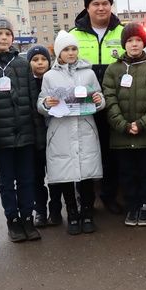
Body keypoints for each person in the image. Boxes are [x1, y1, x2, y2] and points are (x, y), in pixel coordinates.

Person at [0, 15, 42, 243]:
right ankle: (12, 219)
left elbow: (33, 100)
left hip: (25, 135)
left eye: (8, 34)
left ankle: (27, 218)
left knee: (27, 179)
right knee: (6, 182)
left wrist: (37, 134)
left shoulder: (22, 64)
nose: (4, 38)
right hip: (1, 138)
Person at [37, 30, 105, 235]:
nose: (71, 52)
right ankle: (73, 214)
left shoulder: (89, 72)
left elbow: (99, 96)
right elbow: (41, 102)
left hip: (84, 128)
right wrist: (47, 104)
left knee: (86, 176)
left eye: (74, 48)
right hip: (61, 131)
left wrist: (99, 101)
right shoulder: (49, 76)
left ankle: (87, 213)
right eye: (66, 49)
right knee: (66, 176)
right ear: (59, 52)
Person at [102, 23, 146, 226]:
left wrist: (141, 124)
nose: (134, 44)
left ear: (143, 43)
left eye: (138, 40)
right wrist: (123, 124)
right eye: (130, 40)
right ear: (124, 44)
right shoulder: (114, 69)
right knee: (127, 174)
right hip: (121, 135)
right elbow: (109, 99)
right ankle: (132, 207)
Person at [70, 0, 124, 215]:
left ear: (111, 5)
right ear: (87, 7)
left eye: (105, 3)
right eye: (96, 4)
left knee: (111, 153)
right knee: (85, 152)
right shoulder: (73, 35)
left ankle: (109, 196)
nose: (101, 8)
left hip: (115, 104)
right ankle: (86, 200)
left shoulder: (124, 32)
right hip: (84, 106)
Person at [25, 45, 58, 228]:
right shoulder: (26, 82)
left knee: (55, 177)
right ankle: (40, 211)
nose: (40, 63)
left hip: (53, 136)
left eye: (43, 59)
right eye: (35, 59)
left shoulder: (54, 80)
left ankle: (55, 209)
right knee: (36, 177)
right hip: (34, 138)